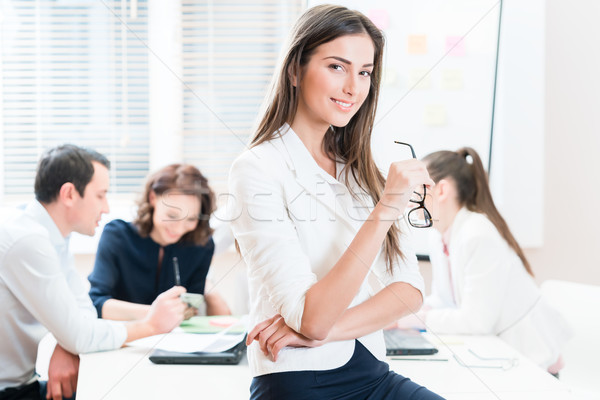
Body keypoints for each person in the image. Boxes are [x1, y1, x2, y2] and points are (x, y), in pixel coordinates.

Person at [227, 5, 443, 399]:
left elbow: (408, 291)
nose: (353, 88)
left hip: (372, 372)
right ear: (295, 70)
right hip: (300, 382)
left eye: (364, 72)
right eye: (336, 67)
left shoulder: (359, 170)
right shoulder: (256, 169)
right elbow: (312, 316)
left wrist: (323, 332)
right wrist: (385, 210)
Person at [0, 145, 186, 400]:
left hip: (22, 385)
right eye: (101, 195)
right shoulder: (28, 240)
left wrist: (67, 342)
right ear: (69, 194)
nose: (107, 207)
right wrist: (150, 325)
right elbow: (79, 334)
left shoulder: (53, 235)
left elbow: (82, 312)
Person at [397, 147, 571, 375]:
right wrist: (399, 315)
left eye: (416, 189)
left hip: (530, 365)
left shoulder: (477, 233)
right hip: (497, 356)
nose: (409, 200)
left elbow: (476, 321)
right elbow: (443, 300)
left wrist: (413, 320)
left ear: (441, 190)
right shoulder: (439, 235)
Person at [88, 163, 231, 320]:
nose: (178, 229)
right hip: (124, 338)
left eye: (191, 219)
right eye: (172, 216)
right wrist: (157, 314)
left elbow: (190, 310)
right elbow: (96, 304)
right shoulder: (117, 236)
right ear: (152, 198)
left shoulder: (202, 246)